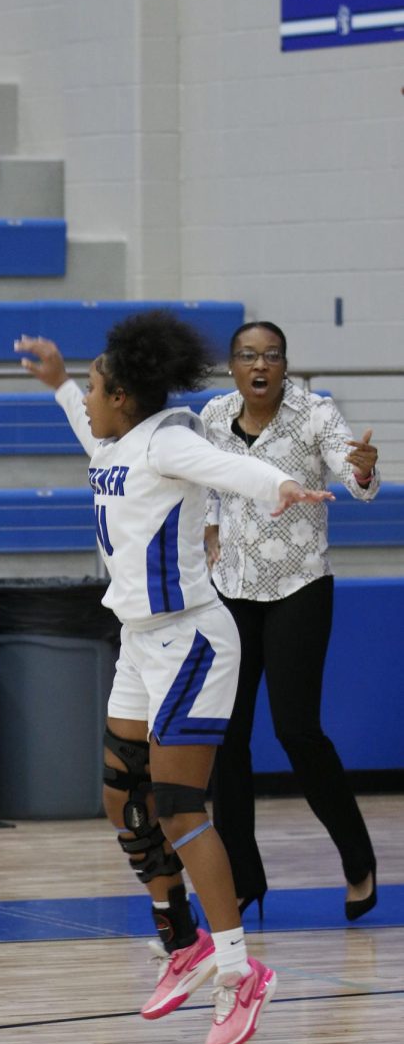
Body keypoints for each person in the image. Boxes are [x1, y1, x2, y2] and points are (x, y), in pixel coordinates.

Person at [16, 311, 333, 1044]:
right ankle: (181, 938)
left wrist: (281, 483)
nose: (89, 400)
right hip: (138, 643)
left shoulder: (168, 440)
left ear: (124, 395)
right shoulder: (115, 439)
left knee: (181, 806)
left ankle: (238, 971)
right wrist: (62, 382)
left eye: (95, 388)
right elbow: (87, 432)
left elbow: (230, 470)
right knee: (121, 796)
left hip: (192, 638)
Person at [201, 321, 379, 922]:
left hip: (300, 585)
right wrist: (208, 531)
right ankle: (245, 881)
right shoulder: (215, 413)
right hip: (232, 589)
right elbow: (207, 486)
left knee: (297, 729)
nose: (260, 365)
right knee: (226, 736)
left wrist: (360, 469)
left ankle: (358, 861)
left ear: (284, 364)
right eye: (249, 355)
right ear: (232, 365)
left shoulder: (315, 413)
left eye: (271, 356)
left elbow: (355, 479)